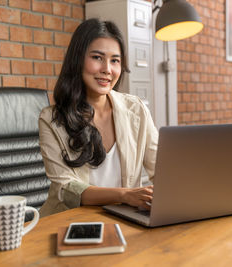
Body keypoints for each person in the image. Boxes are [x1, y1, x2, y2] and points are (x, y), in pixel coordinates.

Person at [38, 18, 158, 217]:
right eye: (97, 57)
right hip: (68, 221)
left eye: (115, 60)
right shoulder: (52, 119)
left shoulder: (135, 109)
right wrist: (126, 195)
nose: (107, 69)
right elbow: (66, 188)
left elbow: (161, 167)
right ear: (78, 59)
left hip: (125, 218)